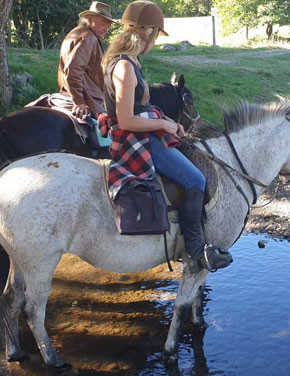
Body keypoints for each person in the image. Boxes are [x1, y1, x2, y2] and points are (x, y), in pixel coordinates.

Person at [100, 0, 233, 272]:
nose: (155, 43)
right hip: (134, 142)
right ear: (147, 33)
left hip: (146, 133)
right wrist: (163, 125)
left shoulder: (130, 61)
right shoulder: (125, 67)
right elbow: (126, 120)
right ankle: (195, 251)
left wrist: (169, 123)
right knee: (196, 179)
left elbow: (142, 108)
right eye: (155, 37)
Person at [58, 1, 114, 118]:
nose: (106, 29)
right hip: (89, 97)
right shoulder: (88, 38)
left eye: (108, 26)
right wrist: (79, 101)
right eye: (103, 23)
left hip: (77, 92)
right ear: (89, 19)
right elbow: (73, 70)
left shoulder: (78, 32)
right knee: (111, 129)